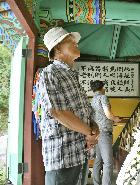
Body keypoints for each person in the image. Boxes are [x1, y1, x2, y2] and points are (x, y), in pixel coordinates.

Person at [40, 27, 99, 185]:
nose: (76, 44)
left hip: (81, 152)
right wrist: (90, 133)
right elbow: (58, 112)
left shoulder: (72, 75)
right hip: (63, 155)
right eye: (71, 41)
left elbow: (84, 111)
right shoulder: (50, 73)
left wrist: (94, 129)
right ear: (58, 48)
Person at [90, 80, 121, 185]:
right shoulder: (103, 97)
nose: (105, 89)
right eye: (104, 87)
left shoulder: (92, 100)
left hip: (96, 133)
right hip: (104, 132)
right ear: (102, 88)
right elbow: (108, 114)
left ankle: (96, 183)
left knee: (98, 160)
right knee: (108, 162)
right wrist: (115, 119)